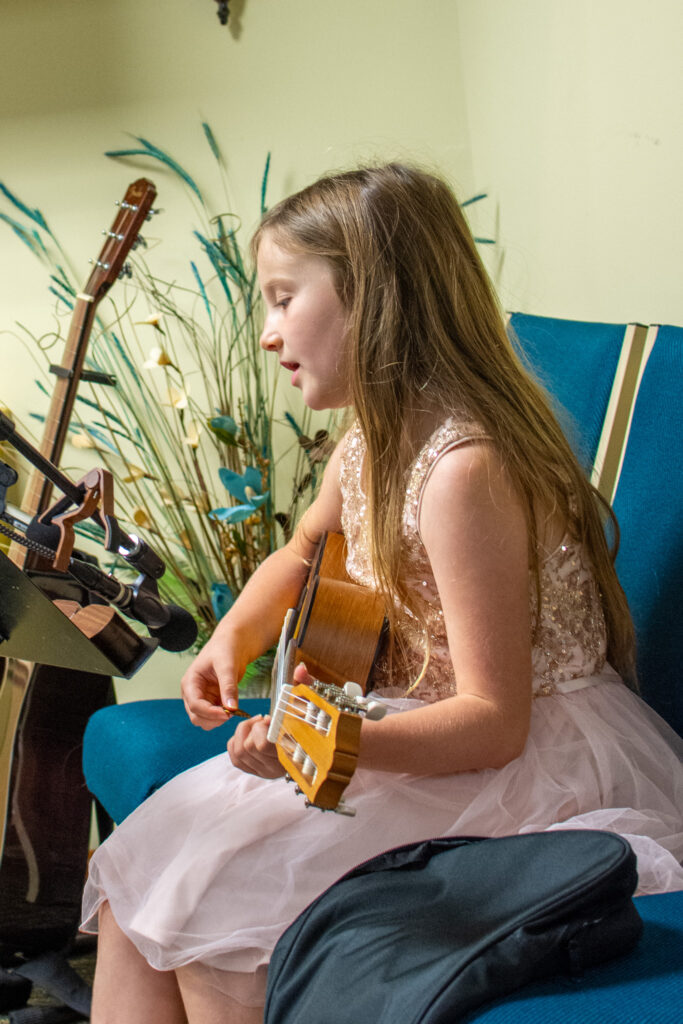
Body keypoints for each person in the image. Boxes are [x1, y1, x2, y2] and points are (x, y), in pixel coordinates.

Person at [81, 163, 683, 1023]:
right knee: (139, 890)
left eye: (284, 298)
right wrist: (234, 639)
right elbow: (301, 549)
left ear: (372, 299)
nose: (266, 332)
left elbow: (493, 720)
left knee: (215, 925)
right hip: (406, 726)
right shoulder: (368, 436)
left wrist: (321, 738)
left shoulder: (461, 470)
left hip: (521, 763)